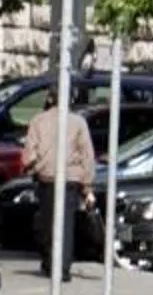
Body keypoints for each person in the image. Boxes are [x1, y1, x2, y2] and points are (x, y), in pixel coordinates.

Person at [21, 92, 98, 281]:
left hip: (47, 177)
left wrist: (31, 168)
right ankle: (62, 267)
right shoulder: (78, 122)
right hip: (71, 178)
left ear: (49, 99)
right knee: (66, 223)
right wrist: (87, 186)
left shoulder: (38, 121)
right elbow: (87, 155)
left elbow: (30, 152)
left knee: (48, 220)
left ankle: (49, 261)